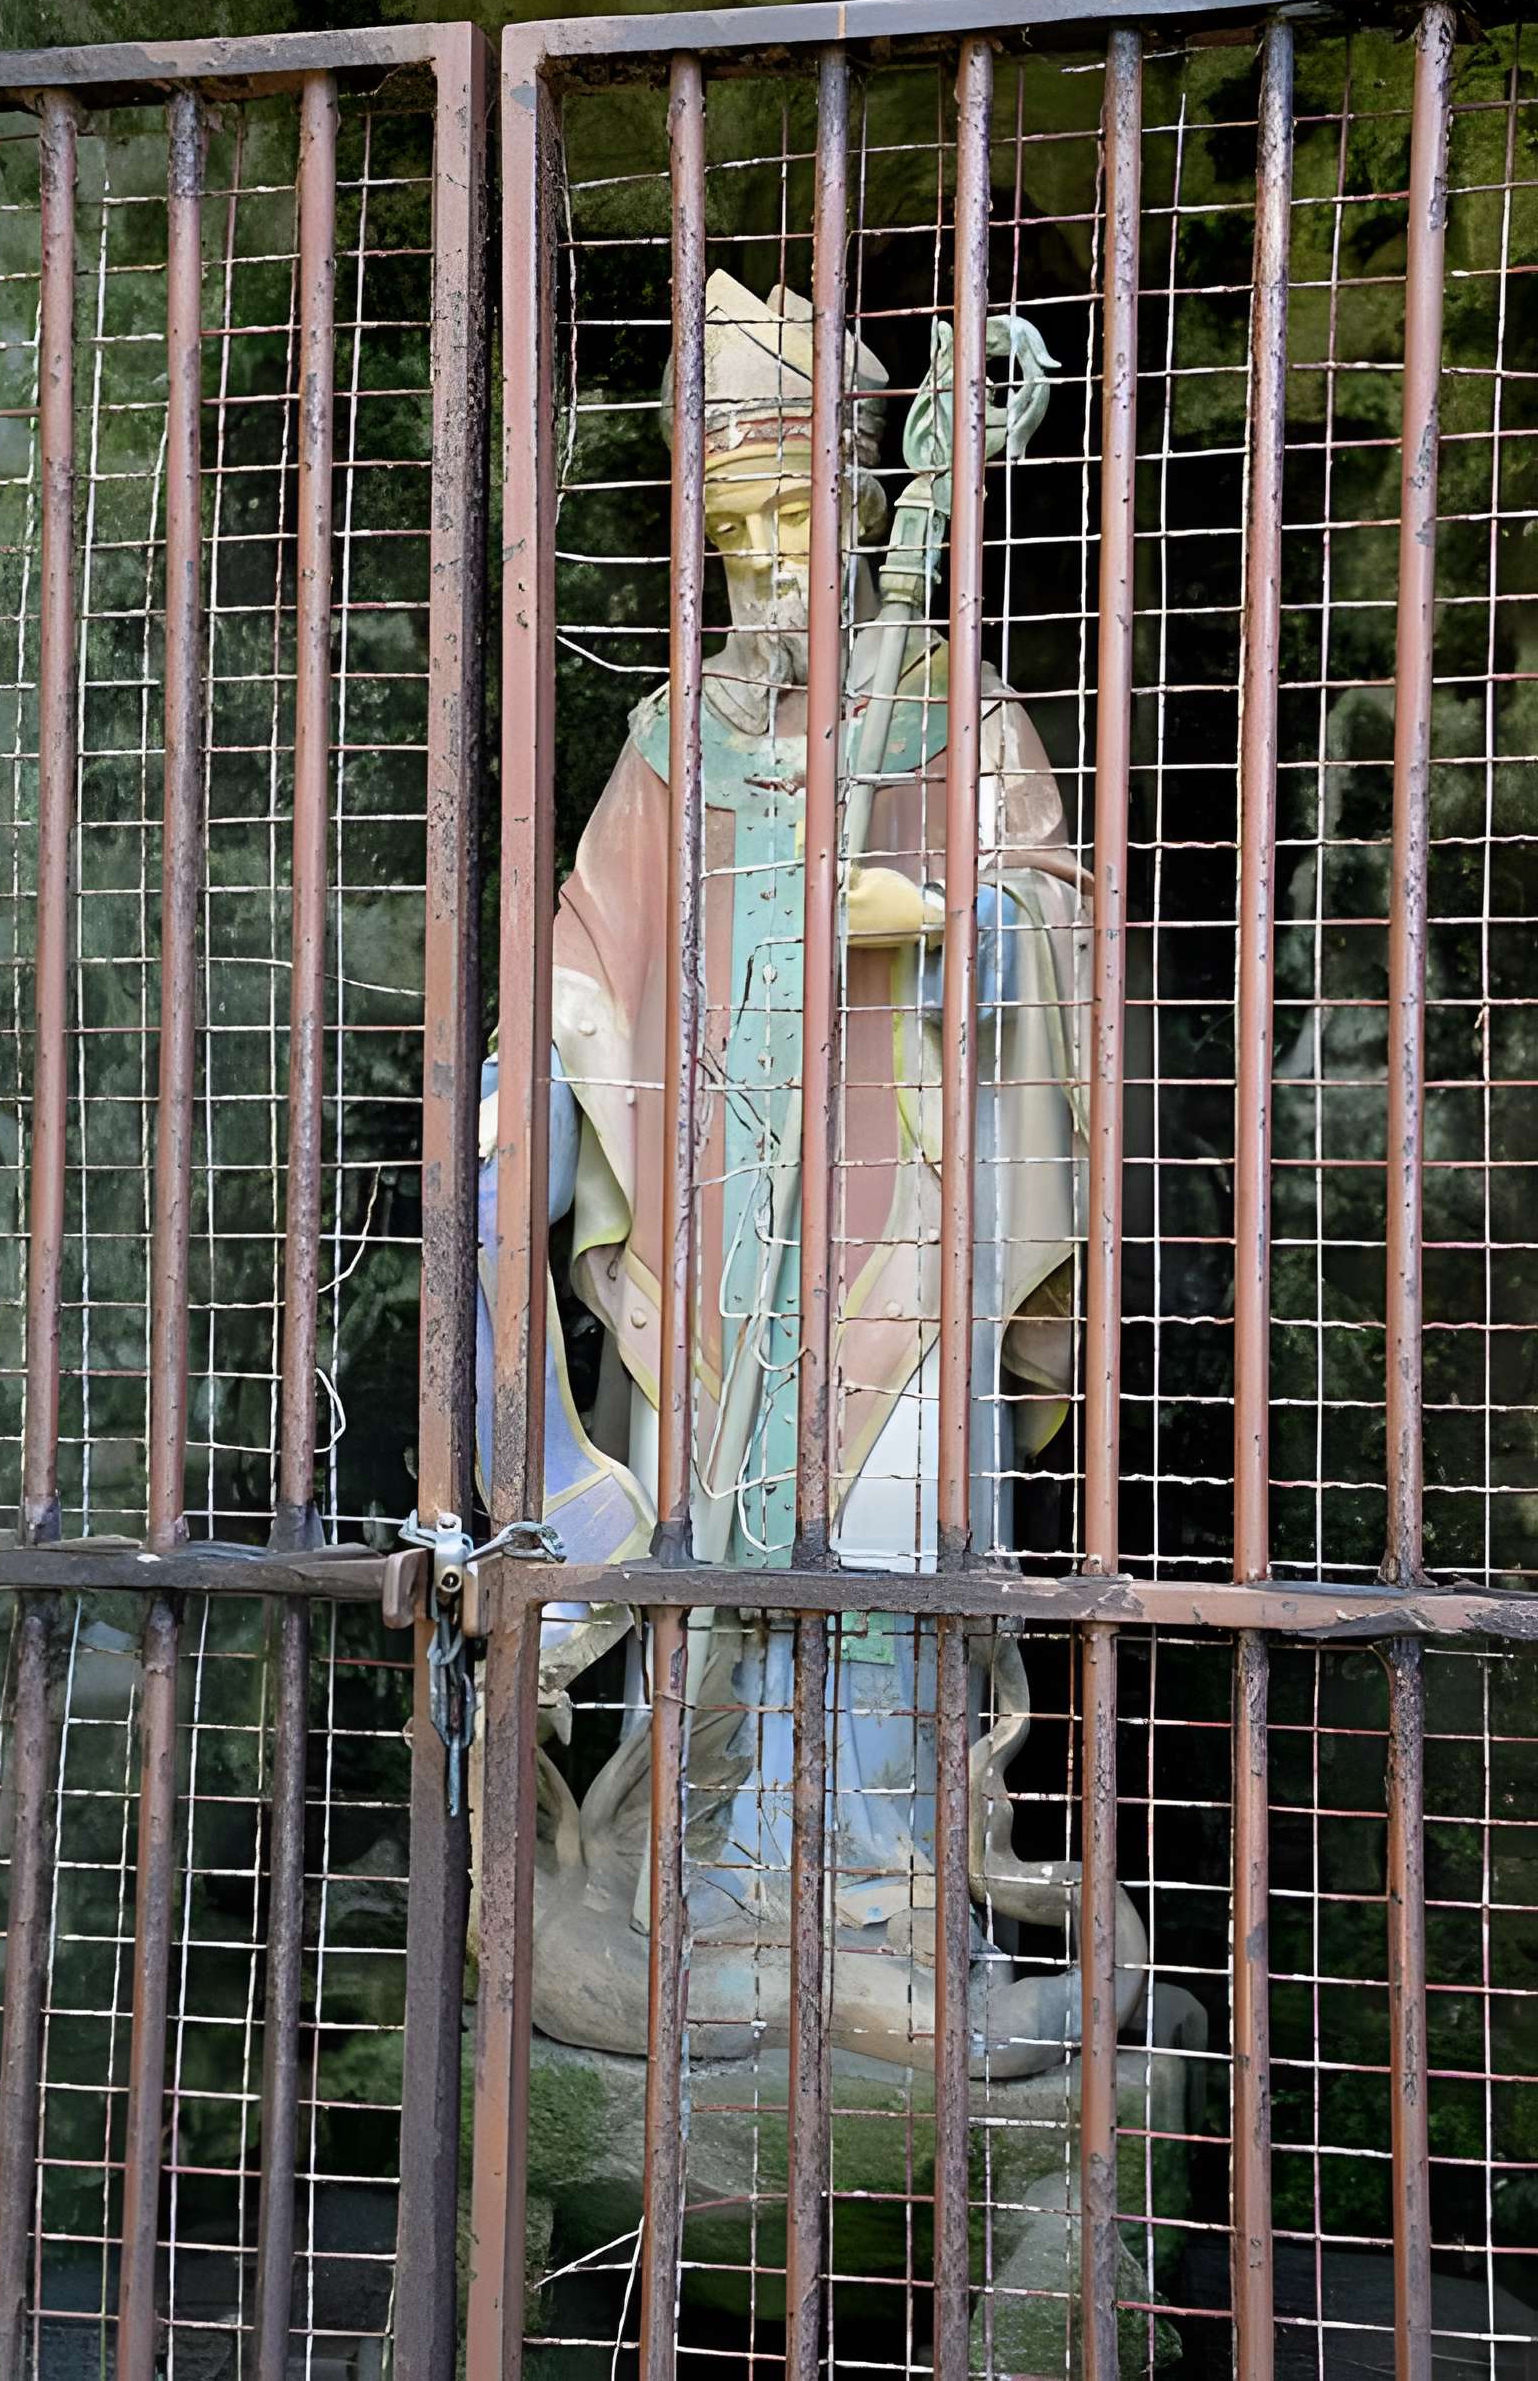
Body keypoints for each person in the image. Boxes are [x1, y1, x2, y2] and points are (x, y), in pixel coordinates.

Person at [474, 272, 1139, 2072]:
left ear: (861, 503)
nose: (772, 558)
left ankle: (894, 1889)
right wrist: (535, 1080)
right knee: (716, 1524)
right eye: (738, 525)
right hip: (717, 1224)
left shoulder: (948, 697)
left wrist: (936, 918)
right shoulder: (670, 737)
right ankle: (714, 1877)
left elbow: (1062, 917)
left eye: (798, 516)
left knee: (881, 1540)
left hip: (903, 1226)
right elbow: (585, 955)